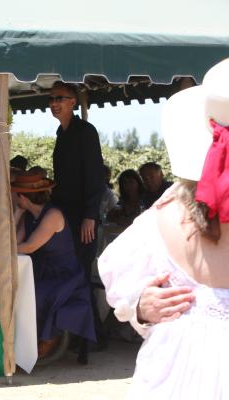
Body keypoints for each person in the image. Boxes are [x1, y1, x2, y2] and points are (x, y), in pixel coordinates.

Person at [99, 58, 229, 399]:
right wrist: (140, 305)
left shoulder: (163, 214)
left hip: (177, 376)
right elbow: (127, 292)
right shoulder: (165, 214)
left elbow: (117, 275)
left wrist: (139, 305)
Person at [0, 170, 96, 364]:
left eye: (14, 194)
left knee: (33, 295)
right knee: (14, 290)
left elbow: (29, 246)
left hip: (64, 277)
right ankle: (21, 342)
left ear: (22, 196)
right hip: (43, 270)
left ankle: (48, 338)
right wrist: (18, 213)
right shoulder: (29, 215)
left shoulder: (53, 215)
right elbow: (12, 241)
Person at [49, 81, 104, 281]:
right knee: (67, 269)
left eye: (59, 98)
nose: (54, 103)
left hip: (82, 215)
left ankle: (87, 313)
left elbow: (94, 174)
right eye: (51, 98)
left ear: (72, 102)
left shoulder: (85, 131)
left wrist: (90, 215)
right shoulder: (61, 134)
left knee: (80, 270)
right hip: (64, 212)